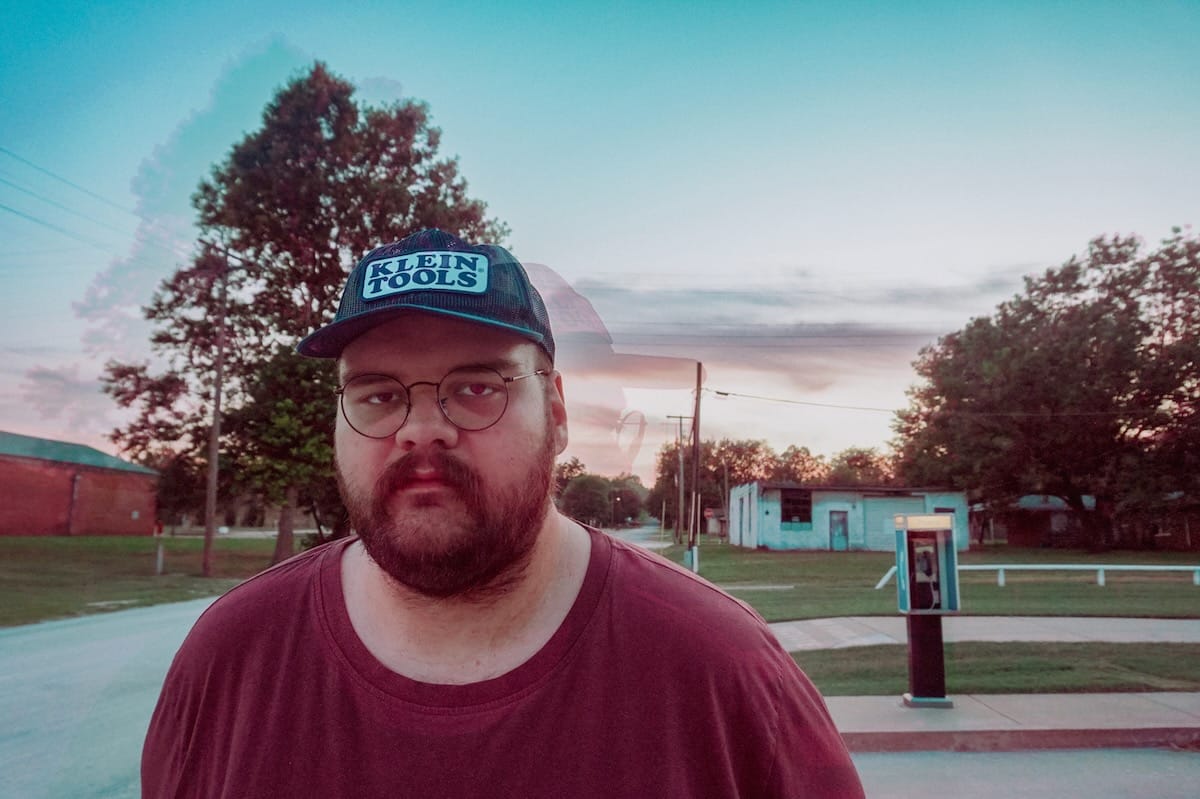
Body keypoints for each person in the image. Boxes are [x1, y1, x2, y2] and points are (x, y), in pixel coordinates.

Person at [141, 229, 864, 798]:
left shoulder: (722, 668)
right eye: (378, 394)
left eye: (477, 387)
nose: (422, 429)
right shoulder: (227, 661)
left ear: (556, 411)